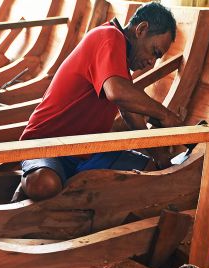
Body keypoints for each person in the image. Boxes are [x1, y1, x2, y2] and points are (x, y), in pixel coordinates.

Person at [14, 2, 181, 202]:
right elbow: (116, 92)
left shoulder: (120, 67)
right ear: (142, 29)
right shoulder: (108, 36)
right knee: (44, 183)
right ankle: (29, 182)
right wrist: (165, 115)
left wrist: (159, 157)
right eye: (154, 52)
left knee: (153, 174)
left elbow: (132, 116)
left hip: (86, 152)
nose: (151, 63)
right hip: (45, 144)